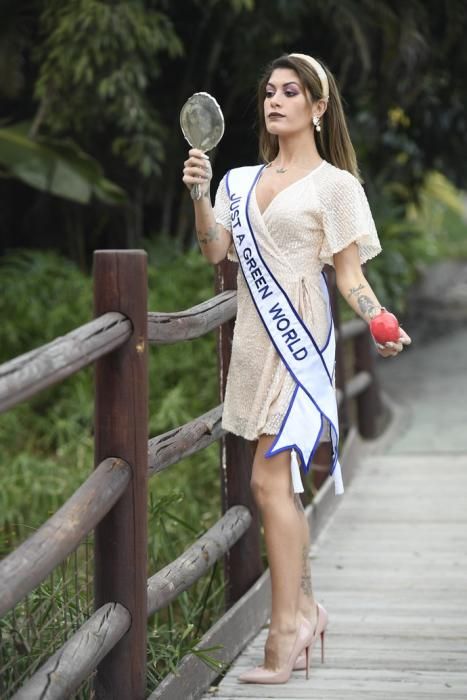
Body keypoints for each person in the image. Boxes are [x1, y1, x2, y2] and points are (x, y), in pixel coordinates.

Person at [182, 52, 411, 685]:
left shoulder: (337, 186)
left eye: (291, 92)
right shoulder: (239, 180)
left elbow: (349, 276)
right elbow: (214, 253)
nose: (275, 101)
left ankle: (287, 629)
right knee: (273, 486)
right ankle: (307, 608)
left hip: (300, 341)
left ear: (318, 107)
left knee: (267, 484)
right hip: (255, 343)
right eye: (269, 92)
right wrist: (202, 196)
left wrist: (382, 320)